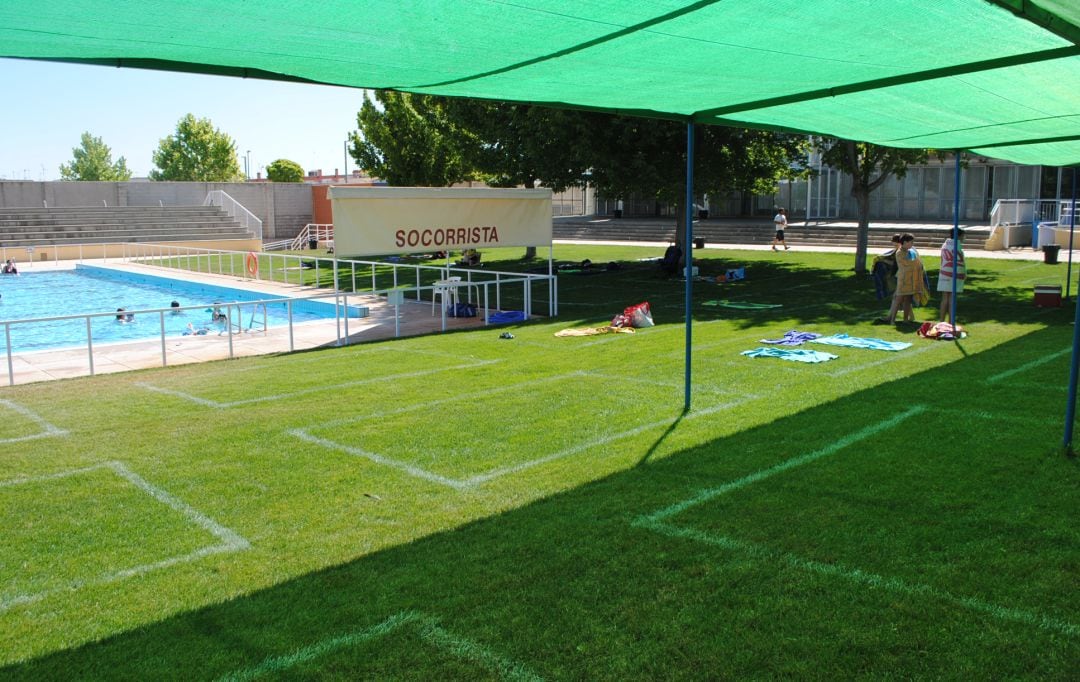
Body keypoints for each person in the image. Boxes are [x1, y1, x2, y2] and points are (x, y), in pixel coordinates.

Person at [880, 233, 927, 325]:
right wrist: (916, 265)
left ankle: (906, 319)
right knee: (898, 299)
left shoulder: (911, 252)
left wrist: (918, 265)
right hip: (903, 280)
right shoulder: (899, 253)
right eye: (911, 242)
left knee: (908, 300)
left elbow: (917, 262)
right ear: (905, 242)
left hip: (911, 279)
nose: (912, 244)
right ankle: (892, 319)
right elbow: (906, 265)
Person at [937, 229, 966, 322]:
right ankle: (950, 322)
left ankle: (941, 321)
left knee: (944, 298)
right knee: (952, 299)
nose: (964, 238)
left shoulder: (945, 245)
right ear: (959, 236)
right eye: (963, 236)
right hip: (954, 274)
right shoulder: (957, 246)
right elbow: (960, 263)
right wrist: (963, 274)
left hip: (944, 273)